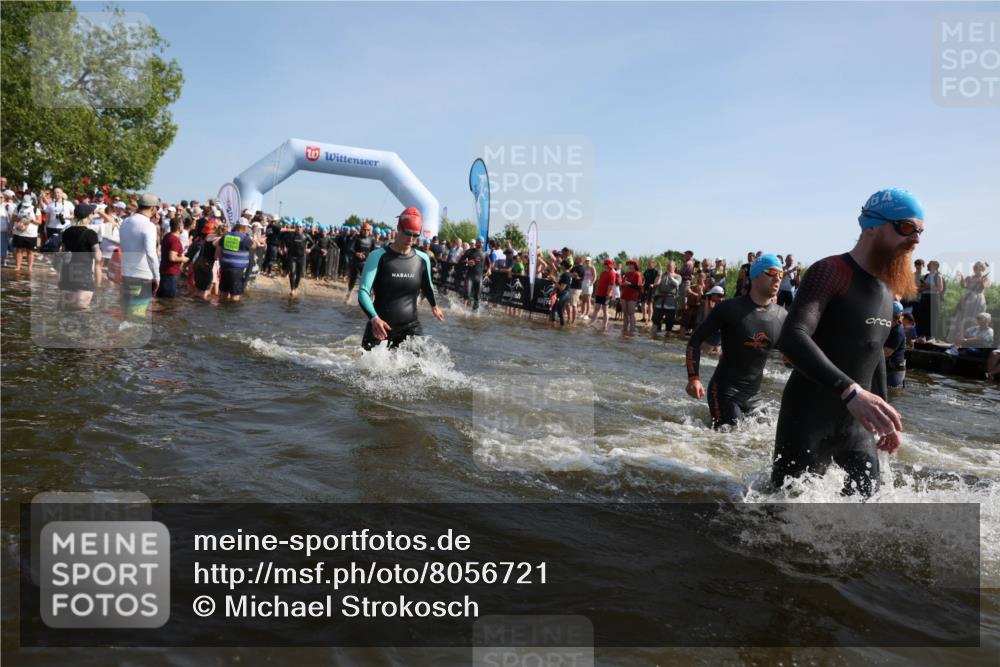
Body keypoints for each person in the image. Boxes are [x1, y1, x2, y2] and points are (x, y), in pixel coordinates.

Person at [772, 188, 922, 497]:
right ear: (871, 226)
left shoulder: (886, 288)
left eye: (920, 231)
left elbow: (874, 353)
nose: (916, 239)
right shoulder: (831, 272)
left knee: (869, 515)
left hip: (858, 426)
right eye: (906, 227)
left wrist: (885, 416)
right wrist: (849, 389)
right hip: (808, 420)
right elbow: (792, 336)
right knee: (779, 518)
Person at [685, 254, 787, 429]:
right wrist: (693, 378)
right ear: (754, 276)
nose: (778, 278)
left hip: (755, 396)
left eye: (781, 274)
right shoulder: (730, 308)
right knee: (730, 438)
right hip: (724, 392)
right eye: (772, 272)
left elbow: (791, 354)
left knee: (766, 439)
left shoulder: (782, 316)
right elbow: (695, 339)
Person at [358, 207, 444, 350]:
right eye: (407, 233)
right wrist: (374, 318)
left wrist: (434, 306)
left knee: (420, 371)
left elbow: (427, 285)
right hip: (380, 327)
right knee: (366, 372)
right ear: (398, 228)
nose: (410, 239)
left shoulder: (422, 259)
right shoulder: (378, 256)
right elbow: (363, 291)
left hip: (411, 328)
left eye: (415, 235)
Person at [118, 193, 161, 322]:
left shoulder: (125, 221)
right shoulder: (149, 226)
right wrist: (156, 276)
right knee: (137, 316)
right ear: (153, 209)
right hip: (143, 276)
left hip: (126, 274)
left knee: (126, 314)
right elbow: (151, 254)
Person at [57, 203, 102, 310]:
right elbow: (98, 257)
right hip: (83, 275)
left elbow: (62, 252)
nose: (93, 216)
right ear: (88, 216)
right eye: (92, 214)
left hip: (67, 274)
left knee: (66, 308)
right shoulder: (91, 233)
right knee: (82, 308)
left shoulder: (67, 232)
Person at [947, 261, 991, 343]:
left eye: (977, 268)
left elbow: (982, 287)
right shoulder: (970, 277)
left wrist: (981, 280)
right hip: (967, 299)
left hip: (978, 301)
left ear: (982, 269)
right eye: (975, 267)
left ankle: (969, 341)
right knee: (961, 318)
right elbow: (963, 286)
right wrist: (962, 278)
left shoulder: (986, 278)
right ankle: (958, 340)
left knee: (973, 319)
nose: (975, 269)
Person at [215, 218, 256, 302]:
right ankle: (233, 313)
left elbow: (218, 250)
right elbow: (254, 246)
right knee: (235, 296)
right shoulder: (244, 238)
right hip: (236, 271)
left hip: (225, 268)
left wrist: (221, 262)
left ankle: (221, 311)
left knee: (223, 292)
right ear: (244, 227)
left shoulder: (226, 236)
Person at [156, 218, 189, 298]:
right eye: (182, 225)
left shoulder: (167, 236)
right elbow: (172, 257)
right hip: (171, 273)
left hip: (164, 270)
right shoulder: (175, 240)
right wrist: (184, 259)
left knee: (162, 298)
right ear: (179, 227)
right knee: (168, 300)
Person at [344, 223, 375, 301]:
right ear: (361, 230)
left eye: (368, 230)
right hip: (356, 263)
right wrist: (356, 253)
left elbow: (373, 251)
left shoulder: (371, 239)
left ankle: (368, 298)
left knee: (367, 282)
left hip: (366, 264)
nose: (366, 231)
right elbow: (349, 248)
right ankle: (349, 294)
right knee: (353, 280)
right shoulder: (356, 238)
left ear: (370, 230)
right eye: (364, 230)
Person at [915, 259, 944, 339]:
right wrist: (919, 289)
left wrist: (928, 286)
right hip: (924, 297)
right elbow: (922, 288)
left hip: (934, 298)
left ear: (935, 266)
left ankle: (932, 336)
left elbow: (940, 288)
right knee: (923, 317)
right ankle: (923, 335)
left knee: (933, 317)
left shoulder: (938, 275)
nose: (927, 265)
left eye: (929, 264)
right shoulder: (926, 276)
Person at [652, 260, 682, 336]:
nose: (669, 267)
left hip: (670, 301)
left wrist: (671, 277)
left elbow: (677, 284)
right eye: (668, 266)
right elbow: (657, 284)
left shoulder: (678, 276)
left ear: (674, 267)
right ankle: (653, 336)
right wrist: (659, 276)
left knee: (669, 322)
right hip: (660, 300)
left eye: (671, 266)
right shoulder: (662, 274)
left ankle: (667, 340)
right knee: (656, 320)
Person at [283, 221, 312, 298]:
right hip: (292, 257)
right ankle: (292, 289)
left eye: (300, 227)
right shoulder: (291, 235)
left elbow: (313, 244)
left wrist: (310, 249)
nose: (298, 228)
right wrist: (284, 247)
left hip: (301, 258)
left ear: (302, 228)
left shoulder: (306, 236)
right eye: (297, 227)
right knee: (292, 272)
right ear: (295, 228)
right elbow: (284, 240)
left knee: (299, 275)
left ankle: (295, 288)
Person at [11, 195, 39, 272]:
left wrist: (31, 220)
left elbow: (39, 221)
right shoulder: (18, 207)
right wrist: (20, 218)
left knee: (30, 251)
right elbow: (13, 218)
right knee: (19, 250)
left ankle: (30, 268)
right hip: (19, 233)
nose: (26, 205)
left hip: (31, 234)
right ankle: (18, 266)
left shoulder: (35, 209)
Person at [462, 237, 491, 310]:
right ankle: (463, 310)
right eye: (479, 242)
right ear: (476, 242)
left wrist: (489, 269)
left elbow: (489, 263)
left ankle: (474, 313)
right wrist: (467, 262)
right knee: (467, 295)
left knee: (477, 298)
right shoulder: (469, 251)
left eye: (482, 242)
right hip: (470, 277)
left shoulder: (484, 254)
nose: (481, 244)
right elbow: (460, 261)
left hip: (479, 278)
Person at [884, 301, 907, 388]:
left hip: (893, 373)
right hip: (890, 369)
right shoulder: (890, 327)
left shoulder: (897, 332)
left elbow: (886, 353)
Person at [592, 259, 618, 331]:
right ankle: (593, 322)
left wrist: (607, 294)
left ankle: (605, 325)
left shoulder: (612, 273)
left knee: (605, 310)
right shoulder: (603, 272)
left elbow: (611, 284)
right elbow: (600, 282)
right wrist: (596, 291)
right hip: (599, 293)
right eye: (604, 265)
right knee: (596, 308)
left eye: (606, 265)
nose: (605, 266)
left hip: (606, 294)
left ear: (609, 265)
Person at [620, 260, 643, 334]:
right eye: (629, 264)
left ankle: (632, 330)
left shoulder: (637, 274)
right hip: (624, 295)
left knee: (631, 313)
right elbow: (622, 284)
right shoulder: (626, 274)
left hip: (632, 296)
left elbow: (639, 287)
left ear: (635, 266)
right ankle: (625, 329)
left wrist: (629, 284)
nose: (629, 266)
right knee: (625, 313)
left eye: (631, 264)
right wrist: (623, 284)